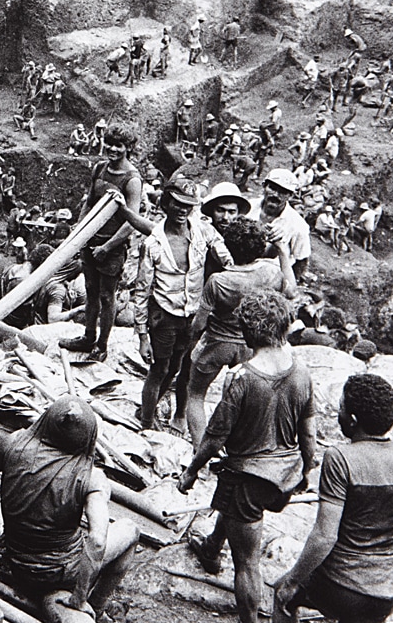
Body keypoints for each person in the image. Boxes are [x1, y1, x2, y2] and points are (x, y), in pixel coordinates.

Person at [179, 290, 317, 623]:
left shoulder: (242, 378)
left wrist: (192, 470)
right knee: (238, 514)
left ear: (246, 332)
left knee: (247, 563)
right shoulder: (301, 371)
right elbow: (308, 430)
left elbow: (214, 436)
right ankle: (211, 547)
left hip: (249, 478)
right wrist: (306, 469)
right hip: (283, 475)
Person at [0, 397, 139, 621]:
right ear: (89, 436)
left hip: (16, 561)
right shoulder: (92, 478)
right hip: (57, 574)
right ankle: (95, 607)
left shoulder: (15, 443)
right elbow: (97, 540)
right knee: (131, 529)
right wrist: (78, 598)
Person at [272, 373, 393, 623]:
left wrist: (293, 580)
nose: (338, 415)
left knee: (282, 596)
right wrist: (383, 560)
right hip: (385, 590)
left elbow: (324, 536)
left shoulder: (340, 458)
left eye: (341, 409)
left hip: (339, 582)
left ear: (352, 420)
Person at [185, 217, 295, 444]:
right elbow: (291, 290)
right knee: (243, 399)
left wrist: (191, 338)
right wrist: (282, 251)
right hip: (251, 344)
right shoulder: (269, 273)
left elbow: (199, 324)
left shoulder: (218, 281)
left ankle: (200, 449)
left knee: (195, 395)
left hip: (217, 343)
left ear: (228, 246)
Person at [134, 179, 231, 430]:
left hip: (192, 315)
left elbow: (222, 249)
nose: (181, 211)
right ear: (166, 204)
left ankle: (168, 411)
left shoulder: (202, 230)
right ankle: (145, 422)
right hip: (164, 314)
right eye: (176, 204)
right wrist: (142, 335)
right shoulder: (154, 243)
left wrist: (231, 262)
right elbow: (142, 291)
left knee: (181, 366)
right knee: (159, 369)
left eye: (187, 206)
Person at [59, 125, 150, 362]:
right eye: (109, 143)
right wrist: (79, 233)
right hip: (90, 242)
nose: (112, 149)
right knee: (90, 290)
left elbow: (131, 222)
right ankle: (88, 337)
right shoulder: (100, 168)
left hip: (112, 248)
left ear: (128, 148)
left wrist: (107, 247)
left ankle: (102, 345)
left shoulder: (132, 180)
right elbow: (89, 203)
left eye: (118, 145)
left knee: (107, 297)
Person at [251, 168, 311, 279]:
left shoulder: (298, 225)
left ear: (291, 196)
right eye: (272, 188)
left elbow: (301, 260)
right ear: (264, 186)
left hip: (271, 278)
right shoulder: (248, 208)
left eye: (283, 192)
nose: (276, 195)